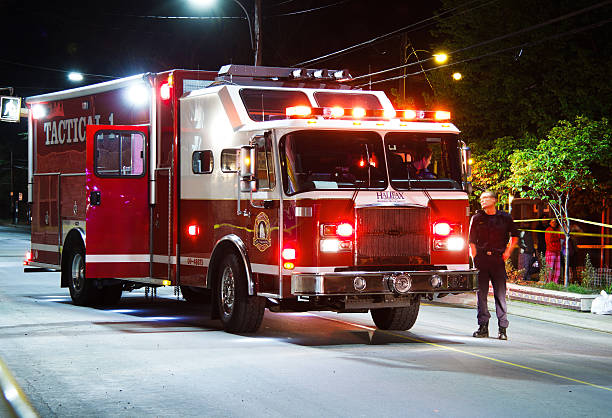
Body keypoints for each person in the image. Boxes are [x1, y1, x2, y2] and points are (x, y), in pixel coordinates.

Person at [468, 191, 519, 340]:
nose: (483, 201)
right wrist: (474, 257)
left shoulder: (505, 218)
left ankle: (502, 329)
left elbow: (515, 235)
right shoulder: (477, 218)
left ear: (494, 200)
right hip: (482, 260)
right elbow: (471, 240)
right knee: (481, 295)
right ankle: (483, 327)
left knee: (500, 295)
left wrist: (508, 252)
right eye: (481, 198)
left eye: (486, 198)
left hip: (497, 260)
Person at [545, 219, 562, 283]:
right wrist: (557, 239)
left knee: (557, 268)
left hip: (557, 251)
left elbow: (562, 237)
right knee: (550, 268)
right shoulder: (548, 230)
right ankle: (548, 282)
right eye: (552, 222)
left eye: (555, 222)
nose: (554, 223)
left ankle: (555, 282)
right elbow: (549, 241)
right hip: (551, 250)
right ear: (549, 223)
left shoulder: (557, 230)